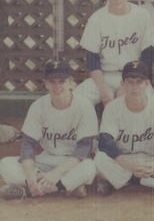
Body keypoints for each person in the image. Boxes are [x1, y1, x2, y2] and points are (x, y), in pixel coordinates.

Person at [0, 60, 97, 200]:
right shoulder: (38, 106)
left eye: (62, 81)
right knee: (5, 164)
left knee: (90, 167)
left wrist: (55, 174)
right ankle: (61, 186)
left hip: (72, 162)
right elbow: (28, 145)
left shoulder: (85, 106)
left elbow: (84, 149)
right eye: (52, 82)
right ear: (46, 83)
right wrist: (30, 176)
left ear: (71, 82)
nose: (57, 86)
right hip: (46, 159)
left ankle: (30, 191)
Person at [94, 61, 154, 197]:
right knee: (99, 158)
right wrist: (127, 164)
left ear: (147, 83)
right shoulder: (112, 107)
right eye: (130, 82)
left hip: (152, 160)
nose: (135, 87)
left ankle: (124, 181)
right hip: (123, 159)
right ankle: (152, 183)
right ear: (122, 84)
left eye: (139, 82)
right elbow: (105, 142)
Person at [74, 0, 154, 108]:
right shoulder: (97, 18)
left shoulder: (143, 16)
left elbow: (148, 55)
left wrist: (127, 85)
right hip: (105, 76)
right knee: (75, 101)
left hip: (135, 76)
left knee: (150, 104)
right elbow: (92, 58)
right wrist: (102, 88)